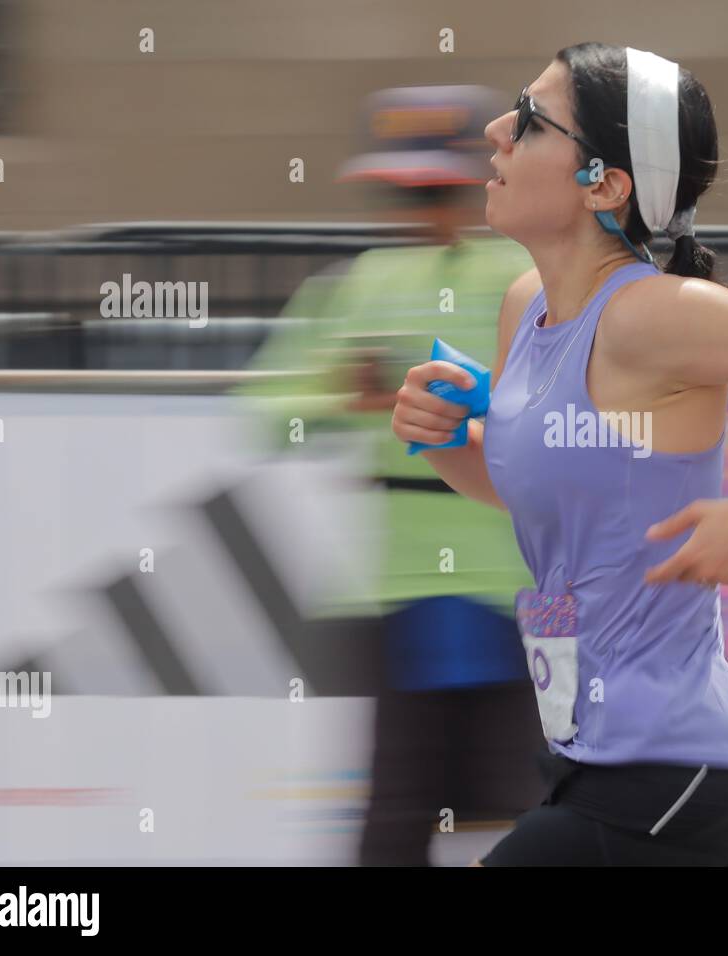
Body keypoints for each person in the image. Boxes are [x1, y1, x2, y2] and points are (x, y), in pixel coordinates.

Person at [391, 43, 728, 866]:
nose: (498, 128)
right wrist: (446, 437)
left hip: (667, 779)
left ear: (604, 184)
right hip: (602, 764)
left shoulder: (654, 317)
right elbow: (530, 489)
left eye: (532, 122)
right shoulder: (525, 306)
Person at [239, 85, 547, 866]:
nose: (421, 211)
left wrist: (371, 398)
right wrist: (349, 393)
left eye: (437, 191)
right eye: (403, 193)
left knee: (521, 800)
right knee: (409, 806)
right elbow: (269, 415)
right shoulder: (355, 286)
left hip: (519, 578)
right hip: (409, 586)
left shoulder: (524, 274)